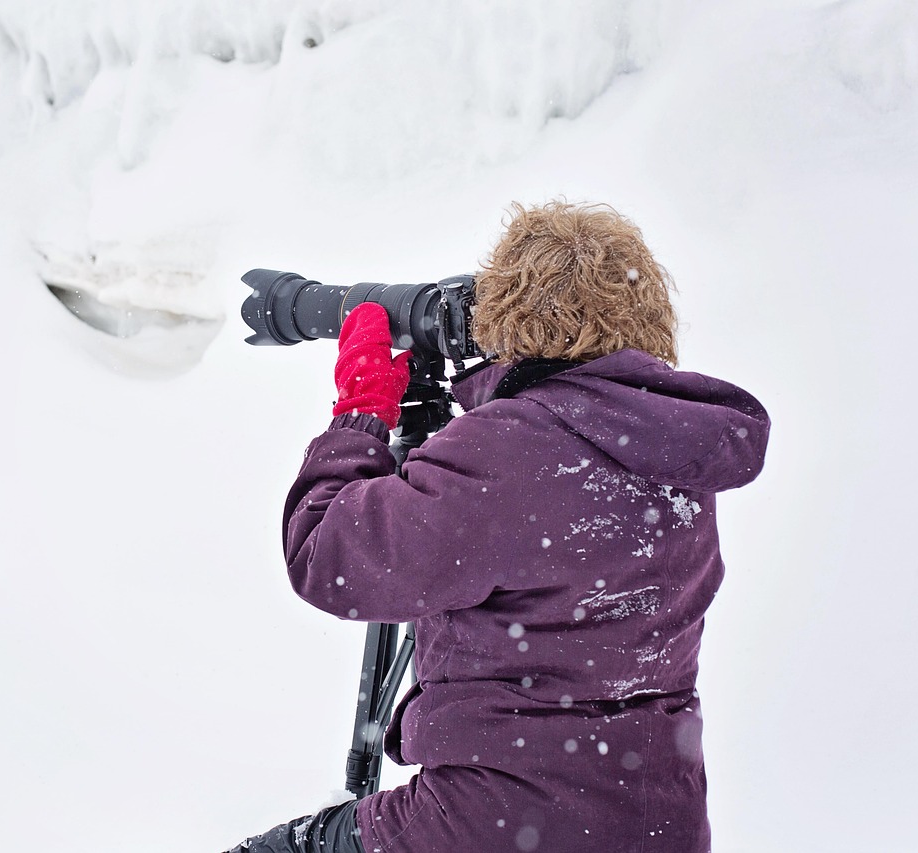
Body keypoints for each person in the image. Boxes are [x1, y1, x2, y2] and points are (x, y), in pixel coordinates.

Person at [227, 200, 770, 853]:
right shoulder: (676, 453)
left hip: (499, 824)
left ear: (511, 312)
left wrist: (361, 414)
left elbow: (327, 556)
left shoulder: (508, 453)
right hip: (658, 824)